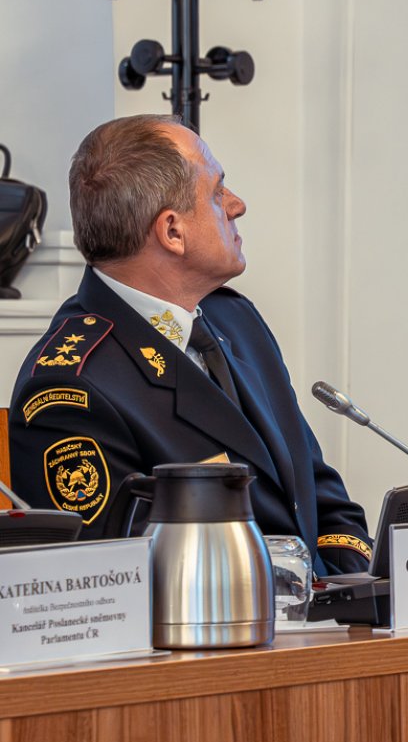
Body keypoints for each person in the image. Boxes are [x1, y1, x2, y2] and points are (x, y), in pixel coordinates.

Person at [8, 115, 372, 575]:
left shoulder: (235, 319)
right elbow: (118, 580)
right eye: (217, 192)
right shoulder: (71, 389)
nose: (237, 205)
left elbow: (320, 496)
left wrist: (346, 589)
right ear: (172, 232)